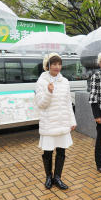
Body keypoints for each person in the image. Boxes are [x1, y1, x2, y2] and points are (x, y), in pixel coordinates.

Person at [35, 52, 76, 190]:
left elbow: (68, 102)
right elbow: (40, 104)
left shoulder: (65, 81)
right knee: (47, 152)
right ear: (48, 65)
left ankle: (57, 177)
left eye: (59, 64)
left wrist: (72, 120)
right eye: (54, 64)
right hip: (49, 123)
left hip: (63, 122)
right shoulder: (42, 82)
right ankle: (48, 177)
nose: (57, 67)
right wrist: (48, 92)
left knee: (61, 151)